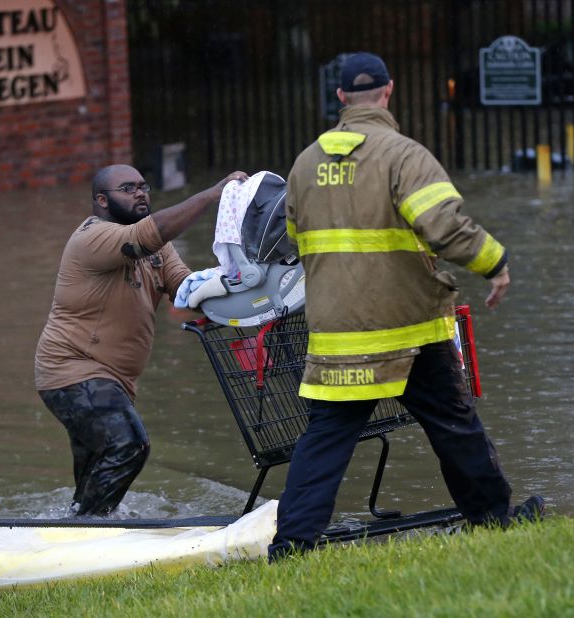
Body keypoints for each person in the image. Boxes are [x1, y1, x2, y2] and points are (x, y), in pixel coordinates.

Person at [268, 52, 543, 561]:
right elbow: (444, 227)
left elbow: (293, 237)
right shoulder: (404, 156)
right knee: (454, 423)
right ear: (389, 91)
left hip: (337, 334)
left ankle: (291, 547)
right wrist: (496, 263)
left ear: (341, 97)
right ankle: (493, 520)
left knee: (325, 440)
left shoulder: (304, 165)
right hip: (410, 330)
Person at [35, 164, 248, 516]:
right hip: (71, 371)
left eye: (144, 187)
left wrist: (241, 297)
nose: (140, 193)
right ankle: (89, 528)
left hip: (112, 381)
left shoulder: (156, 248)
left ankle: (76, 527)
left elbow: (183, 287)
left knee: (96, 468)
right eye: (128, 188)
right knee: (129, 445)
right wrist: (212, 194)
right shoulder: (92, 237)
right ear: (102, 201)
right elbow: (152, 232)